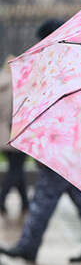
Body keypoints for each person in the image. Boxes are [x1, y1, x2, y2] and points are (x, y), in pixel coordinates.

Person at [0, 19, 81, 263]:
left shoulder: (59, 66)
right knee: (79, 199)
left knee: (45, 199)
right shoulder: (76, 62)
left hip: (59, 145)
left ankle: (29, 245)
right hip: (71, 145)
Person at [0, 54, 29, 216]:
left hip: (3, 134)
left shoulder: (1, 82)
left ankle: (25, 202)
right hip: (16, 134)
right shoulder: (18, 84)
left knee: (17, 168)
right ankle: (1, 199)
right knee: (16, 169)